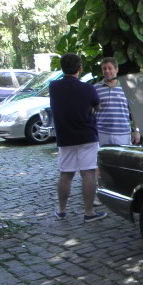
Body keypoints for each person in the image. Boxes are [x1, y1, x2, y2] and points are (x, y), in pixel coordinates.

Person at [49, 53, 106, 222]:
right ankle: (89, 213)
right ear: (80, 68)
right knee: (88, 174)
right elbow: (97, 106)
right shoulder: (88, 88)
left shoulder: (53, 86)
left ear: (62, 68)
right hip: (87, 135)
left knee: (65, 174)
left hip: (65, 137)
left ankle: (61, 210)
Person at [95, 57, 140, 146]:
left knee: (122, 160)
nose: (107, 71)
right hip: (101, 133)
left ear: (116, 69)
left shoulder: (127, 88)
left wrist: (137, 131)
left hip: (123, 135)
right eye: (104, 68)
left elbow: (135, 112)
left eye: (110, 68)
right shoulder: (95, 88)